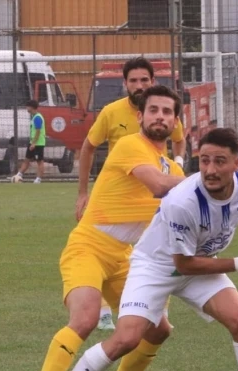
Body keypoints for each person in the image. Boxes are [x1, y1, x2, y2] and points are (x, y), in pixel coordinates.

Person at [49, 128, 238, 371]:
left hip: (198, 263)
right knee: (126, 339)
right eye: (204, 161)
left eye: (219, 161)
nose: (211, 170)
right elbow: (183, 264)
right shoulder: (182, 201)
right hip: (157, 267)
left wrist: (233, 143)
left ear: (236, 165)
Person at [21, 85, 186, 371]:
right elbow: (157, 186)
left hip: (126, 257)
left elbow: (190, 208)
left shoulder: (173, 166)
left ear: (175, 122)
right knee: (85, 318)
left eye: (167, 112)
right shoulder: (130, 147)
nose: (159, 116)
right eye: (153, 110)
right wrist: (210, 182)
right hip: (89, 246)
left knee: (158, 329)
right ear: (140, 117)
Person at [77, 57, 187, 329]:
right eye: (133, 80)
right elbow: (89, 146)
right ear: (124, 83)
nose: (139, 85)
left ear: (153, 81)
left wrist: (180, 167)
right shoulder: (112, 112)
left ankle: (157, 311)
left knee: (161, 251)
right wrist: (83, 192)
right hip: (119, 195)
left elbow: (179, 139)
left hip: (154, 195)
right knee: (102, 247)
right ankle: (102, 309)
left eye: (144, 80)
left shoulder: (161, 109)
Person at [11, 100, 46, 184]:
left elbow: (38, 131)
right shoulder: (33, 116)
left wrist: (34, 143)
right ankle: (19, 175)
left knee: (39, 161)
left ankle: (38, 179)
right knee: (26, 159)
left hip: (38, 144)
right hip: (32, 142)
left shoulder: (37, 117)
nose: (26, 108)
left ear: (31, 107)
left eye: (27, 106)